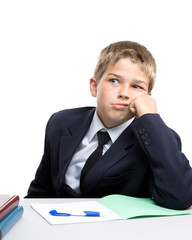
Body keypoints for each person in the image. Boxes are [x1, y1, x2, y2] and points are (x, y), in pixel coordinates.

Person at [26, 40, 192, 210]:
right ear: (94, 86)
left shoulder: (158, 138)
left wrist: (149, 117)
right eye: (114, 81)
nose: (124, 93)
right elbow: (40, 192)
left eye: (136, 86)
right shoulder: (61, 123)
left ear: (147, 97)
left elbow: (180, 197)